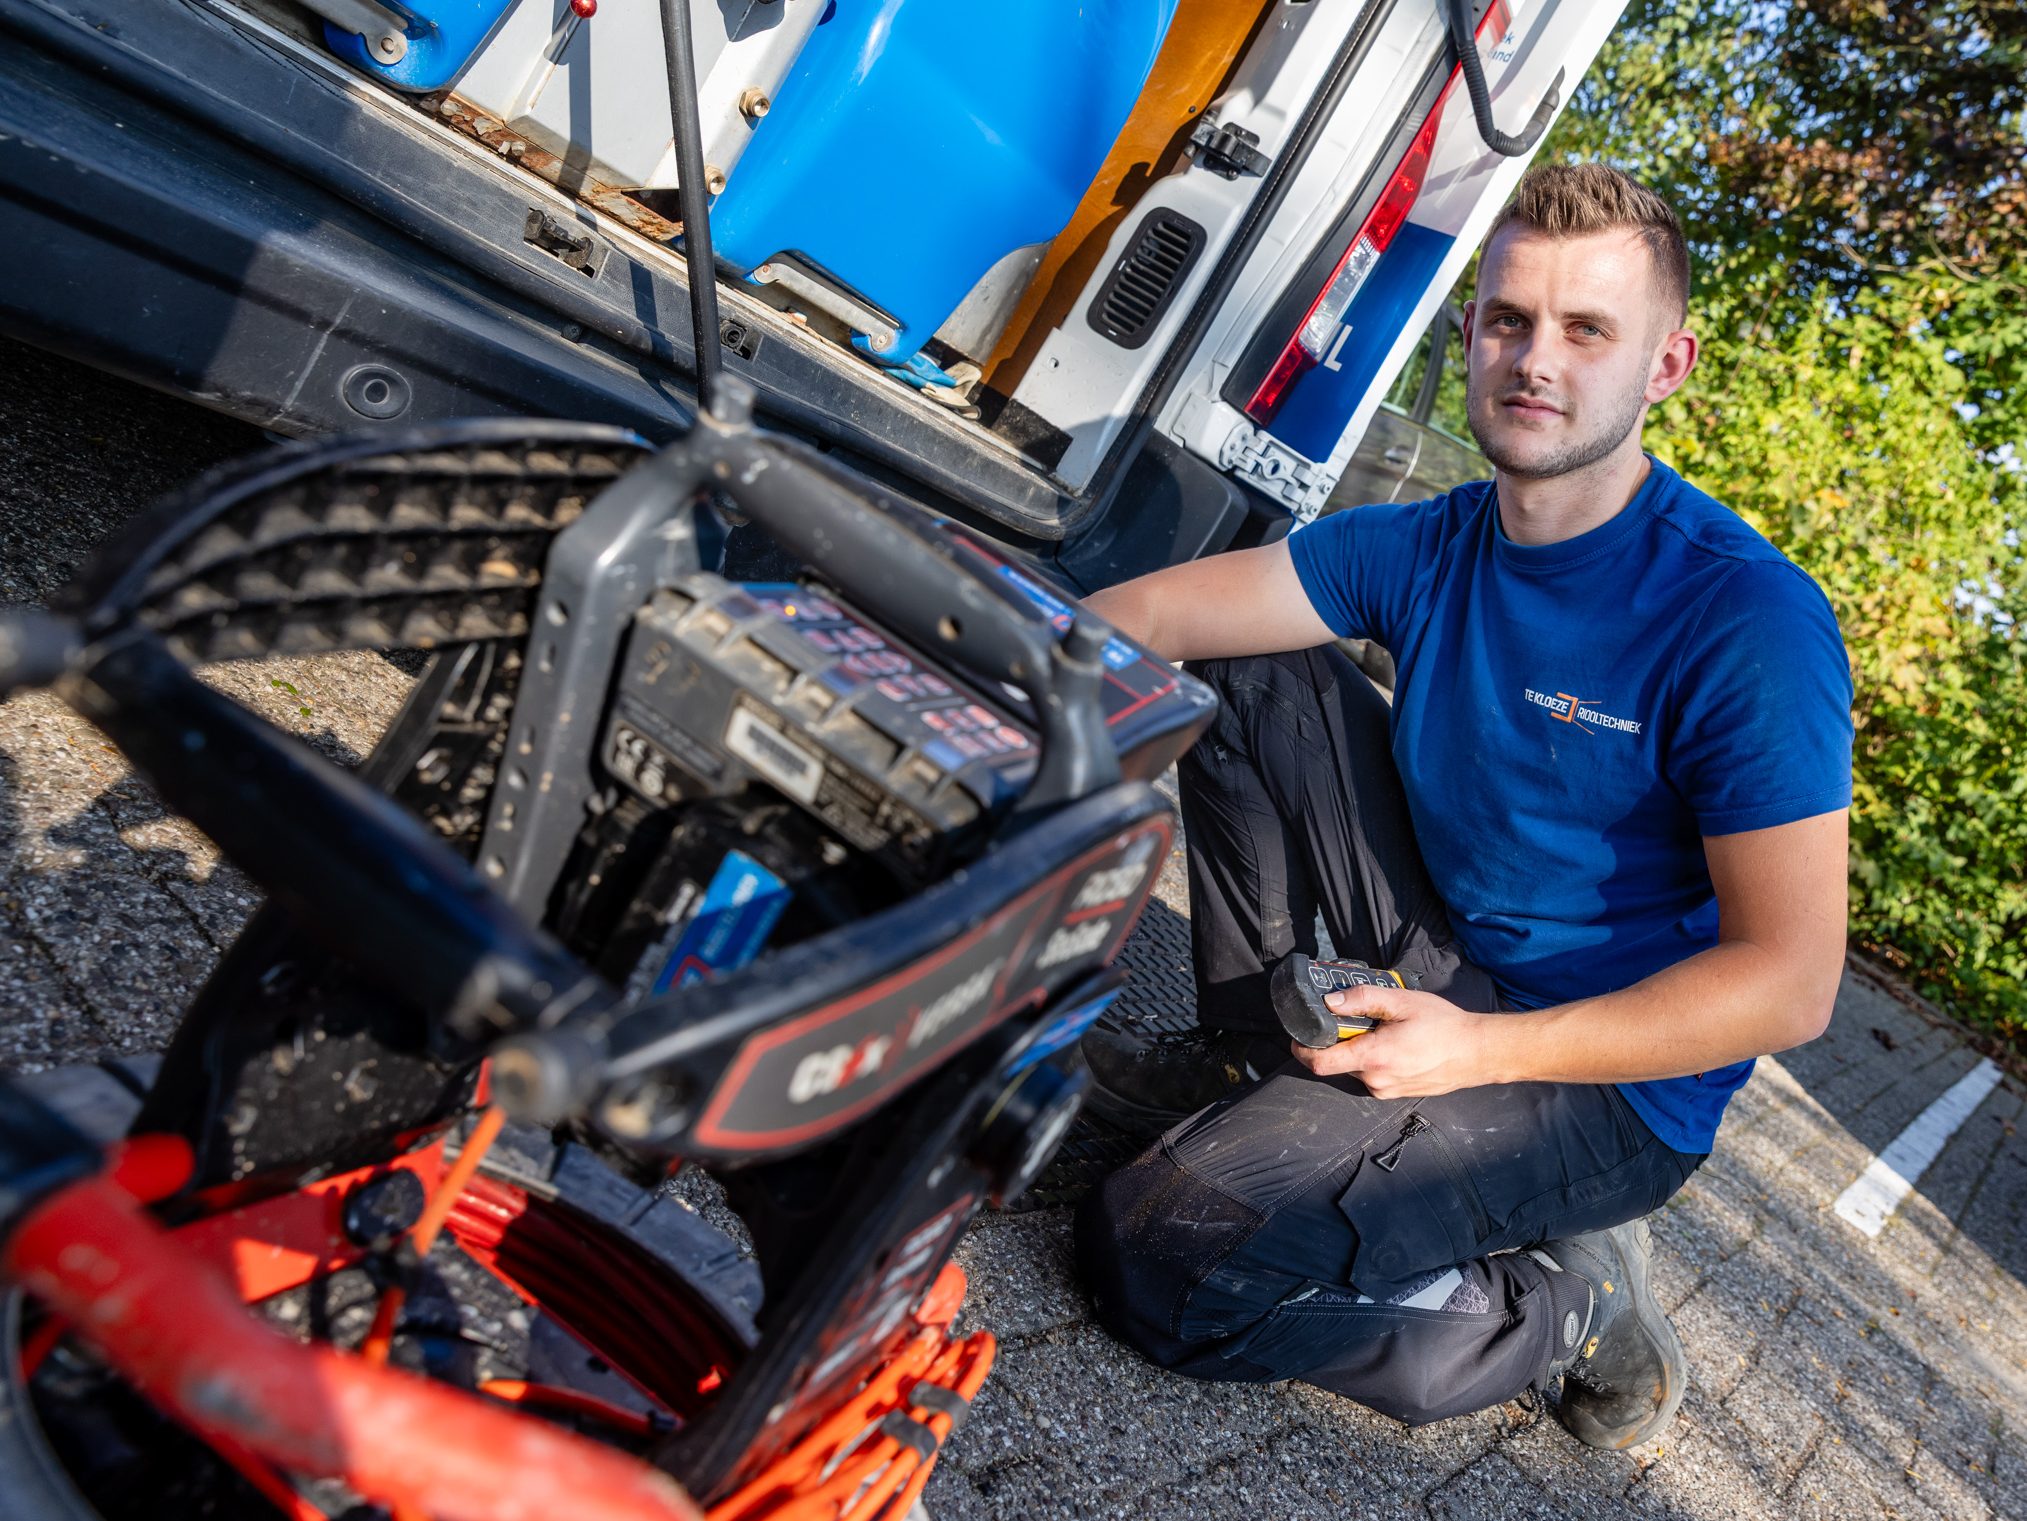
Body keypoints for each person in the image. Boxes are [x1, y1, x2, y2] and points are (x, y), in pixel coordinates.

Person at [1071, 162, 1853, 1450]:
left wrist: (1479, 1051)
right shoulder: (1433, 540)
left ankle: (1566, 1309)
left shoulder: (1744, 620)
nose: (1535, 360)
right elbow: (1147, 616)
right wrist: (988, 724)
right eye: (1509, 320)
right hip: (1446, 952)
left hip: (1604, 1081)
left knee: (1167, 1250)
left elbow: (1792, 984)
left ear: (1665, 366)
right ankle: (1254, 1057)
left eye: (1587, 329)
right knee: (1246, 663)